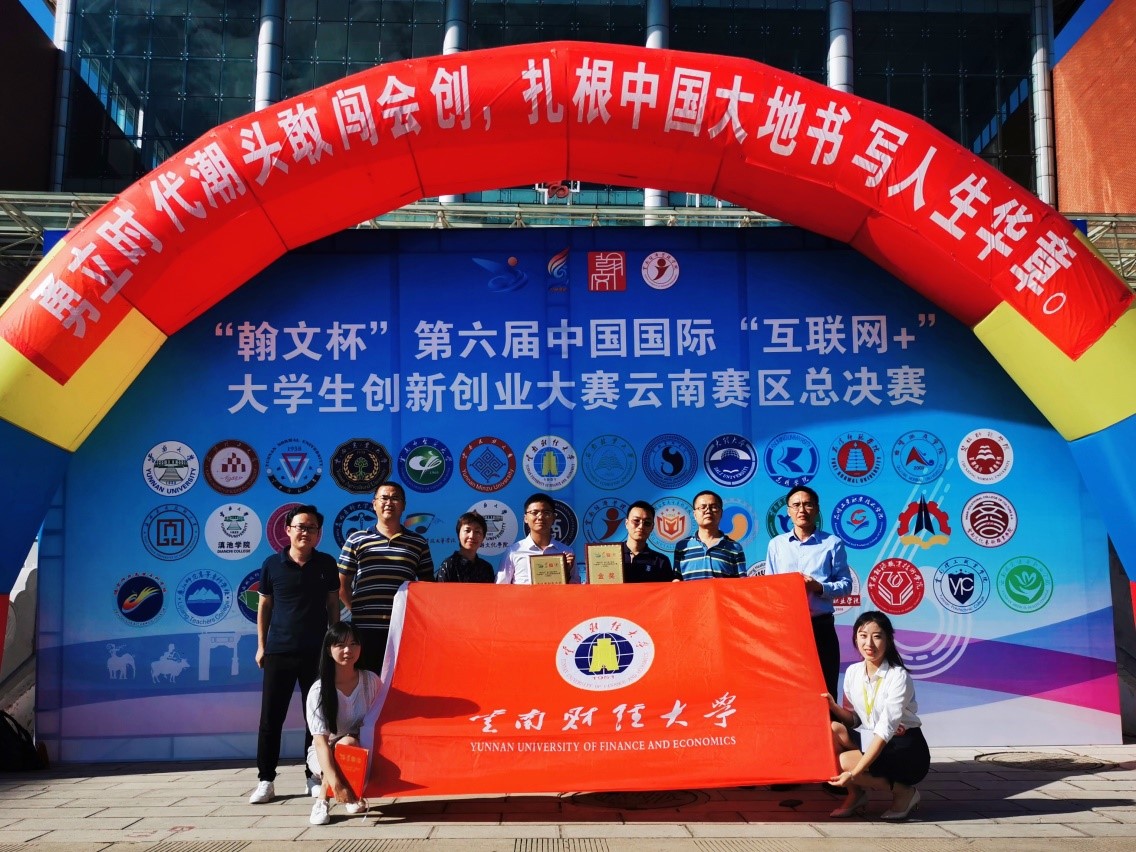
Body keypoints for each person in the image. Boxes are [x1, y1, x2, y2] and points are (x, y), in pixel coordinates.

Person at [249, 505, 340, 805]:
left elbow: (333, 606)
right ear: (288, 530)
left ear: (318, 533)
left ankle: (313, 776)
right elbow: (264, 606)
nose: (305, 532)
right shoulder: (271, 565)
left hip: (317, 653)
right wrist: (262, 646)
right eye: (300, 526)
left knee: (315, 720)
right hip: (279, 651)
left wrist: (334, 646)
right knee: (270, 719)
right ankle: (266, 780)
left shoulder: (326, 564)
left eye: (311, 527)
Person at [826, 610, 930, 821]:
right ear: (855, 638)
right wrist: (833, 707)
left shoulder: (898, 676)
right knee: (832, 729)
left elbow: (884, 731)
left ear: (888, 640)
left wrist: (854, 774)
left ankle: (905, 792)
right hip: (872, 738)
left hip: (904, 746)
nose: (869, 644)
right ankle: (856, 795)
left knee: (845, 761)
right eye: (863, 636)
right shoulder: (853, 672)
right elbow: (855, 720)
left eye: (877, 636)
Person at [764, 485, 852, 698]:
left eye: (807, 504)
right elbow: (769, 588)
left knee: (826, 688)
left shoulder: (832, 544)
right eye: (796, 505)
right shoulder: (776, 545)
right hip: (788, 629)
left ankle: (829, 721)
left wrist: (819, 587)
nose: (802, 509)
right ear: (788, 511)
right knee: (788, 690)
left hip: (821, 626)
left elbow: (846, 585)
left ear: (817, 509)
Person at [338, 482, 434, 674]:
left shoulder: (418, 543)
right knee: (366, 683)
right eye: (384, 498)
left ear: (403, 505)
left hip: (403, 630)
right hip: (364, 629)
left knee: (400, 683)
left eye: (395, 498)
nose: (389, 502)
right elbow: (342, 586)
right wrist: (359, 610)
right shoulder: (356, 539)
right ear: (374, 504)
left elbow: (428, 588)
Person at [305, 622, 382, 825]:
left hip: (366, 753)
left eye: (353, 644)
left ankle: (349, 792)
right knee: (347, 743)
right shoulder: (318, 691)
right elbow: (320, 743)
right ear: (328, 650)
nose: (348, 650)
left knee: (350, 742)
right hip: (325, 754)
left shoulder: (371, 681)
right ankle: (324, 799)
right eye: (340, 645)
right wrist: (336, 784)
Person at [496, 493, 577, 584]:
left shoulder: (566, 552)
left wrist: (567, 572)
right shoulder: (513, 551)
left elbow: (576, 588)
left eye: (546, 513)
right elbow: (501, 587)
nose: (540, 517)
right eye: (534, 513)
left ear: (554, 518)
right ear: (526, 518)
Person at [673, 489, 746, 581]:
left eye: (714, 507)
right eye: (702, 507)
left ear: (721, 513)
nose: (708, 511)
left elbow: (741, 583)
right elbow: (676, 581)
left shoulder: (734, 548)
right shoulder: (682, 546)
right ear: (694, 514)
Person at [621, 501, 679, 582]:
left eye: (647, 523)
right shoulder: (612, 556)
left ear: (652, 527)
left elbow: (667, 589)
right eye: (636, 521)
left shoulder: (660, 561)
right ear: (626, 523)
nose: (641, 526)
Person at [436, 511, 495, 583]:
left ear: (483, 537)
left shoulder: (486, 568)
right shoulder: (448, 565)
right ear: (458, 534)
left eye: (477, 531)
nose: (472, 536)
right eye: (467, 530)